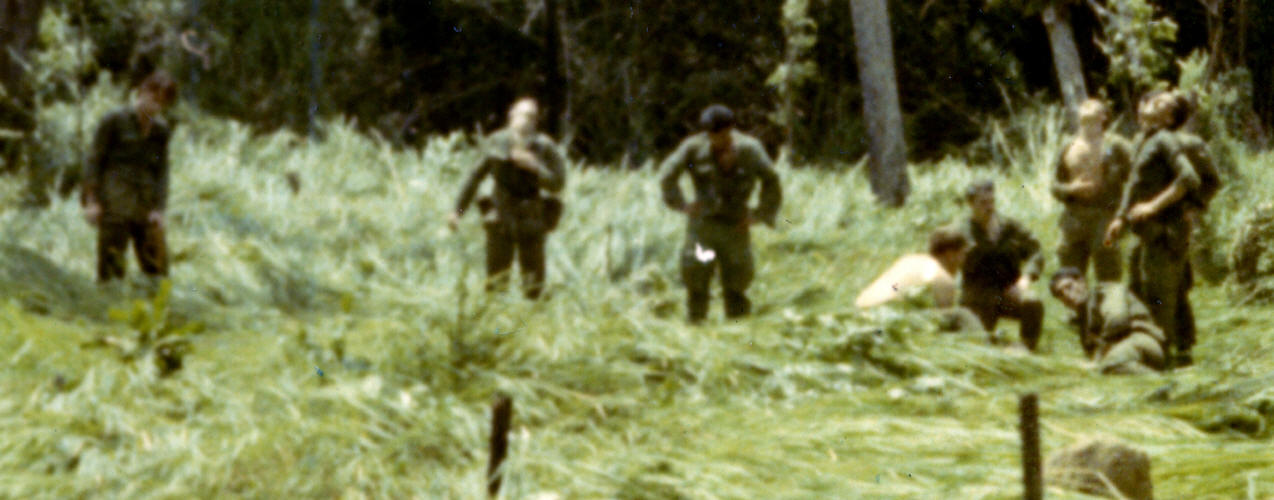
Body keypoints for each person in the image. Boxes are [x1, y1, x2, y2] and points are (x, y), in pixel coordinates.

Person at [659, 104, 782, 323]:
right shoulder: (693, 148)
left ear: (731, 130)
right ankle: (696, 325)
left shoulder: (750, 149)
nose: (718, 140)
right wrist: (681, 205)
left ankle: (738, 328)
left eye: (723, 135)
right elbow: (667, 174)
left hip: (735, 225)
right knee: (695, 279)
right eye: (713, 135)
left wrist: (760, 214)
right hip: (703, 226)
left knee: (737, 281)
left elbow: (771, 180)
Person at [1104, 89, 1201, 367]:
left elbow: (1189, 178)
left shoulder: (1165, 140)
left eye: (1160, 103)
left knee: (1161, 301)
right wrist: (1120, 217)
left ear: (1169, 117)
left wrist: (1152, 207)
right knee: (1140, 292)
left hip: (1164, 234)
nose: (1150, 102)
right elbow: (1133, 186)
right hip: (1145, 234)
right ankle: (1155, 353)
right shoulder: (1143, 140)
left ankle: (1163, 364)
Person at [449, 97, 566, 299]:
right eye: (522, 114)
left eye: (532, 116)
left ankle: (532, 325)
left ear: (536, 121)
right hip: (500, 218)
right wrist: (457, 212)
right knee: (496, 282)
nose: (526, 120)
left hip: (532, 220)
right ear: (511, 115)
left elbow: (559, 183)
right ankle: (495, 326)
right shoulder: (496, 142)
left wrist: (536, 168)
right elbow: (474, 177)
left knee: (534, 284)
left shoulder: (544, 146)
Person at [82, 70, 178, 284]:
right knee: (111, 273)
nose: (156, 107)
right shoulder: (114, 121)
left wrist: (159, 209)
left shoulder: (161, 131)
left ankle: (150, 315)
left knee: (158, 273)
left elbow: (161, 172)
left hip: (145, 210)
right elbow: (94, 161)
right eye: (154, 99)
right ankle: (106, 315)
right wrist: (92, 202)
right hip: (114, 207)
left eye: (162, 104)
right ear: (142, 92)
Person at [956, 180, 1045, 350]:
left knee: (1032, 302)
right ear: (970, 204)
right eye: (983, 203)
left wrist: (1025, 280)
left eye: (992, 202)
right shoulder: (961, 230)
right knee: (978, 346)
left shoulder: (1009, 227)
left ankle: (1027, 347)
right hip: (978, 297)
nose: (989, 207)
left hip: (1008, 291)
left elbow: (1036, 252)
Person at [1051, 98, 1133, 283]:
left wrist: (1122, 215)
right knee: (1070, 277)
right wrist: (1071, 189)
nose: (1087, 106)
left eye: (1094, 107)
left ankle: (1108, 311)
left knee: (1109, 277)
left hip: (1105, 218)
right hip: (1073, 219)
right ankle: (1077, 312)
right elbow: (1054, 185)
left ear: (1103, 116)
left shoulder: (1117, 146)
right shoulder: (1067, 146)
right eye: (1084, 104)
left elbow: (1134, 181)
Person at [1050, 267, 1167, 374]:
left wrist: (1098, 359)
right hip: (1125, 350)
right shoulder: (1084, 318)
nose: (1067, 295)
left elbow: (1117, 318)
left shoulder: (1106, 291)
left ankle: (1163, 383)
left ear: (1082, 282)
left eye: (1069, 287)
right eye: (1060, 294)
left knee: (1110, 365)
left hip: (1141, 340)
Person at [855, 226, 970, 309]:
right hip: (884, 318)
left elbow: (894, 288)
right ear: (950, 255)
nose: (965, 259)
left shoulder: (909, 260)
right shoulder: (942, 279)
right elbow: (944, 324)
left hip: (862, 310)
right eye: (963, 254)